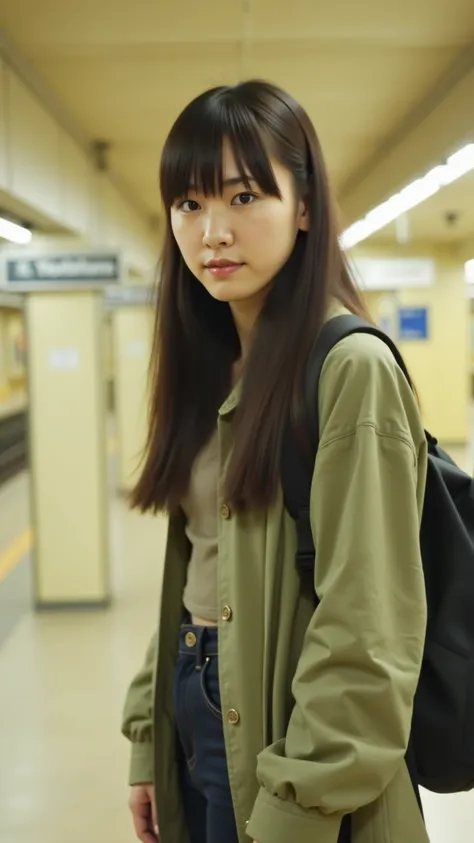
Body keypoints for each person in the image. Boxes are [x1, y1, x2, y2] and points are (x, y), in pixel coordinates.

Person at [121, 80, 430, 843]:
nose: (211, 232)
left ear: (304, 206)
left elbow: (368, 626)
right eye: (189, 204)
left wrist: (301, 798)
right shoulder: (212, 366)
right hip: (199, 698)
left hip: (289, 729)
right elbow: (197, 565)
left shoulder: (349, 367)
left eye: (245, 195)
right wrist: (148, 733)